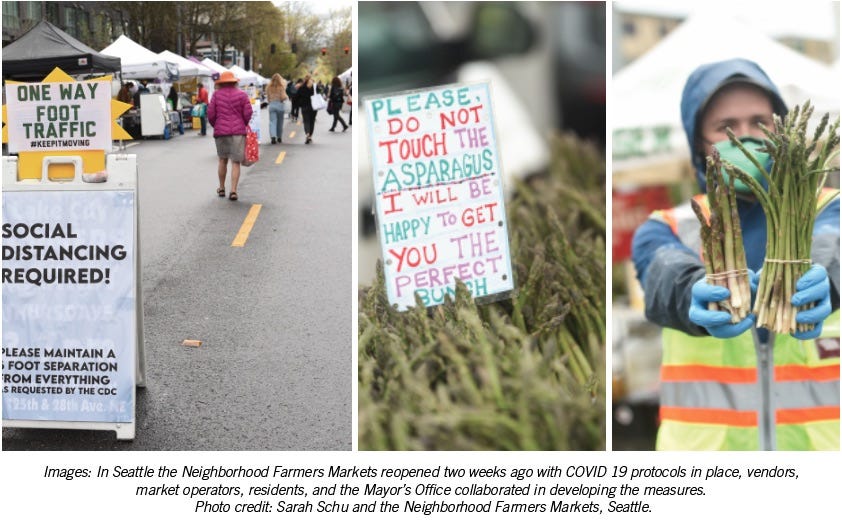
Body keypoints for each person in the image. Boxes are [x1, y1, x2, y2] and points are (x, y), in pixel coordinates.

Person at [631, 58, 840, 451]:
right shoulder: (666, 226)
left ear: (782, 128)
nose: (745, 137)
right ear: (698, 140)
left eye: (760, 122)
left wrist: (827, 280)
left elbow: (834, 243)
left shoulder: (829, 207)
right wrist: (693, 290)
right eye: (726, 128)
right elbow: (662, 271)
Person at [207, 71, 253, 201]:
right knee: (236, 162)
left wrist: (216, 125)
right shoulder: (242, 95)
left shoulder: (216, 95)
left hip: (221, 132)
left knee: (222, 159)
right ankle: (233, 191)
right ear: (234, 82)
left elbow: (210, 114)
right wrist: (242, 123)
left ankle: (221, 188)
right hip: (238, 132)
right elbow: (248, 112)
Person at [266, 73, 288, 144]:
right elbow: (284, 97)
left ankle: (273, 136)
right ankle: (279, 137)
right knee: (280, 122)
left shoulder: (268, 87)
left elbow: (268, 98)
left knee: (272, 122)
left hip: (272, 105)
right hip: (279, 105)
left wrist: (271, 102)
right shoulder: (281, 87)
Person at [296, 75, 317, 144]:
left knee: (306, 121)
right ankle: (310, 136)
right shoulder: (314, 87)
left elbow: (297, 97)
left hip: (304, 106)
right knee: (312, 121)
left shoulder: (301, 87)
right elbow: (319, 93)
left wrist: (299, 104)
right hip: (313, 106)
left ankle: (307, 134)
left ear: (304, 79)